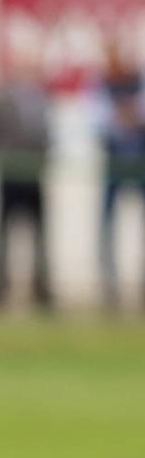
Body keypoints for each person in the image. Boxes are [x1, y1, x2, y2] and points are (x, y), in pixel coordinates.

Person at [0, 55, 54, 311]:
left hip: (34, 174)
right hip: (9, 174)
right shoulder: (1, 98)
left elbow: (48, 134)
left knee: (40, 235)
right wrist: (2, 157)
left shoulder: (41, 98)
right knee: (2, 234)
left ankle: (42, 288)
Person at [94, 39, 145, 311]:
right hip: (113, 164)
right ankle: (108, 282)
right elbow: (99, 120)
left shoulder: (139, 81)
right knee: (107, 225)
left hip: (140, 164)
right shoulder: (103, 84)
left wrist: (128, 116)